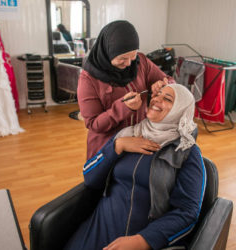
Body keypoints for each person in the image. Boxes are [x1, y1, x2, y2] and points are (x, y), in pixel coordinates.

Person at [65, 83, 206, 250]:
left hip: (143, 237)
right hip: (99, 226)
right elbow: (90, 178)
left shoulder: (187, 152)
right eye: (157, 94)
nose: (156, 99)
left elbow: (188, 212)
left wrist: (144, 240)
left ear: (180, 110)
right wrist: (116, 147)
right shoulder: (128, 134)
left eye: (167, 99)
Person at [78, 20, 173, 159]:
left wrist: (163, 85)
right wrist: (123, 108)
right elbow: (94, 125)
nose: (129, 63)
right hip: (108, 148)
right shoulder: (88, 79)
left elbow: (170, 81)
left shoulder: (141, 62)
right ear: (108, 52)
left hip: (139, 141)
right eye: (123, 58)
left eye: (132, 56)